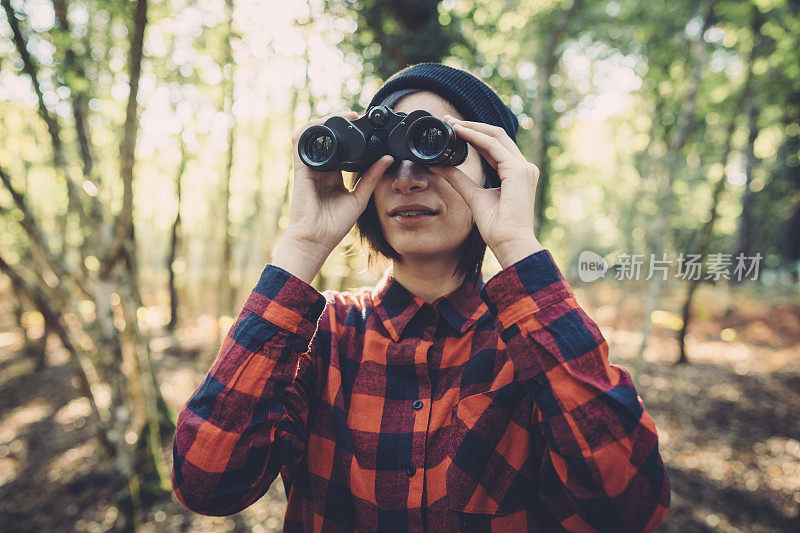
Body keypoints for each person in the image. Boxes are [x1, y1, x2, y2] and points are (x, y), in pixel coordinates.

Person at [171, 62, 670, 532]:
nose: (408, 177)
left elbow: (629, 506)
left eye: (434, 143)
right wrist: (301, 248)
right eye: (385, 156)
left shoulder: (532, 347)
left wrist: (518, 245)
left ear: (495, 174)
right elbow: (205, 484)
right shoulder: (321, 338)